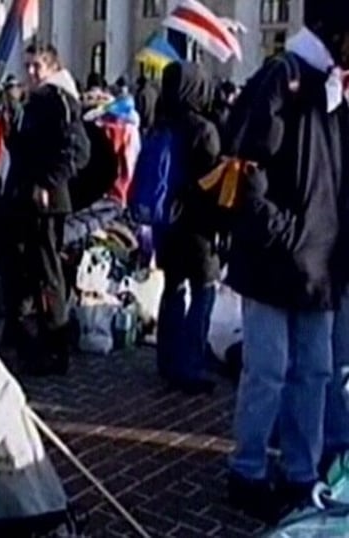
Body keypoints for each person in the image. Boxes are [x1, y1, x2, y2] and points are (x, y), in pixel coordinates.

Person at [226, 2, 349, 521]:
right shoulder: (284, 77)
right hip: (277, 264)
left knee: (315, 373)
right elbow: (246, 170)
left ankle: (300, 473)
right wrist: (285, 232)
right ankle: (247, 470)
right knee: (268, 372)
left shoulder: (334, 89)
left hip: (320, 266)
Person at [4, 42, 89, 376]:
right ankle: (34, 343)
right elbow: (32, 147)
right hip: (27, 196)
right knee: (29, 270)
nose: (31, 73)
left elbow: (76, 150)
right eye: (27, 66)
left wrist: (47, 183)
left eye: (37, 66)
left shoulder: (58, 99)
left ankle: (54, 348)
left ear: (52, 67)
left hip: (46, 202)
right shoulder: (37, 100)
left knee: (47, 275)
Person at [152, 62, 221, 396]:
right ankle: (191, 365)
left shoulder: (160, 123)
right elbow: (212, 182)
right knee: (204, 290)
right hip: (197, 224)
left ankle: (167, 359)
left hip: (165, 221)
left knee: (173, 288)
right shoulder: (203, 129)